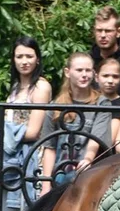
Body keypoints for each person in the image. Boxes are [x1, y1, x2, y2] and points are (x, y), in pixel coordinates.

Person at [0, 36, 51, 211]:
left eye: (29, 56)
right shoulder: (15, 88)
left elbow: (34, 131)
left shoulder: (41, 87)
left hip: (33, 159)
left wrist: (0, 135)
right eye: (19, 56)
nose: (24, 61)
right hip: (12, 159)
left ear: (37, 59)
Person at [39, 52, 113, 193]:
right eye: (79, 70)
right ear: (67, 72)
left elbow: (96, 139)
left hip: (89, 173)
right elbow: (49, 147)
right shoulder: (55, 105)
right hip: (59, 173)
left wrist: (87, 159)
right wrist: (45, 185)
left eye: (88, 70)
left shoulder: (102, 103)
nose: (84, 75)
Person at [96, 57, 120, 152]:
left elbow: (109, 139)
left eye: (115, 76)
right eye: (105, 76)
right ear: (96, 77)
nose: (110, 81)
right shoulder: (91, 100)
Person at [90, 6, 120, 78]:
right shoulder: (89, 60)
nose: (103, 35)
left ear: (118, 32)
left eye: (108, 31)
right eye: (99, 30)